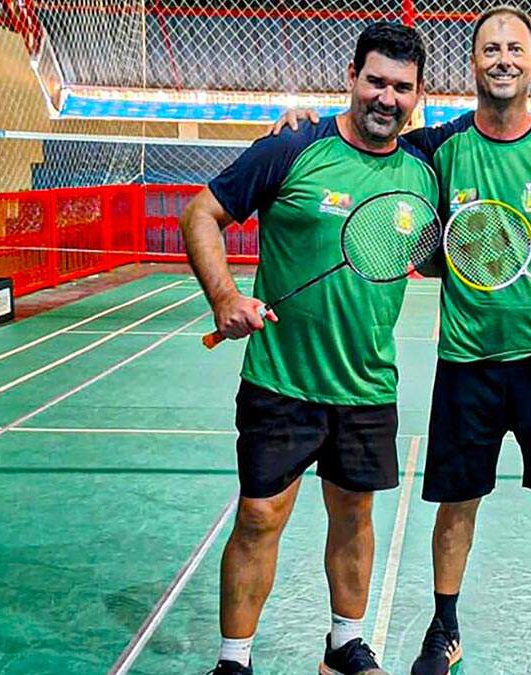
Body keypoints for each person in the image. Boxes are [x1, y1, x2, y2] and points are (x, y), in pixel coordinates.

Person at [276, 6, 531, 674]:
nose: (502, 58)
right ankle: (444, 628)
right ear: (472, 65)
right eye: (489, 48)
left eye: (514, 48)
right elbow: (365, 133)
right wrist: (307, 125)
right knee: (456, 503)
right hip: (467, 360)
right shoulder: (438, 148)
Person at [181, 22, 437, 675]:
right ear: (351, 77)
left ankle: (343, 644)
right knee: (260, 514)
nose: (387, 97)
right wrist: (223, 298)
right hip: (282, 379)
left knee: (354, 515)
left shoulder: (424, 171)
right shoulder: (292, 148)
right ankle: (234, 659)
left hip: (366, 383)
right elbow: (200, 214)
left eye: (401, 87)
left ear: (418, 95)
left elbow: (432, 256)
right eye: (376, 80)